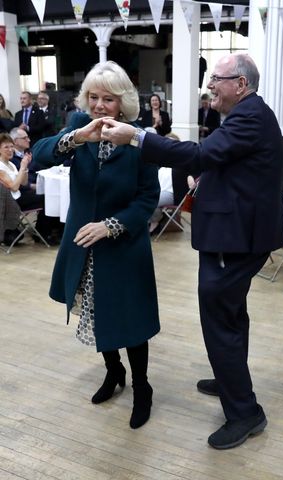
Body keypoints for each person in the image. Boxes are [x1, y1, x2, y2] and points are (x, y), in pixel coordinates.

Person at [101, 53, 283, 449]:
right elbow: (226, 162)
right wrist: (208, 178)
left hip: (235, 238)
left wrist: (135, 137)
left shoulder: (249, 114)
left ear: (239, 83)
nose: (209, 87)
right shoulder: (246, 112)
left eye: (215, 80)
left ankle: (245, 412)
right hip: (237, 231)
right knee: (231, 313)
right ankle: (229, 379)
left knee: (220, 317)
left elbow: (203, 153)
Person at [32, 61, 160, 429]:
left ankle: (143, 387)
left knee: (130, 322)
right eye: (93, 97)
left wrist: (111, 225)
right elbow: (40, 154)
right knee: (97, 313)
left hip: (123, 246)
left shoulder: (139, 138)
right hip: (84, 246)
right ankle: (113, 370)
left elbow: (147, 198)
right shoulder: (78, 126)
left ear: (123, 103)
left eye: (108, 98)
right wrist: (78, 138)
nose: (100, 105)